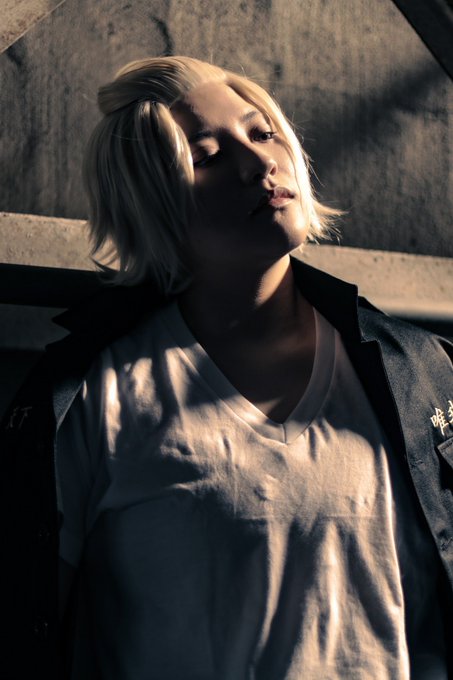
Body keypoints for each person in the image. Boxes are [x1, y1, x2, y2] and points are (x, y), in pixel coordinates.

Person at [1, 56, 453, 680]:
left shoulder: (418, 374)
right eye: (207, 157)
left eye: (263, 133)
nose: (260, 163)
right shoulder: (90, 398)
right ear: (152, 202)